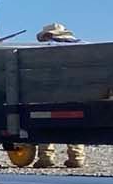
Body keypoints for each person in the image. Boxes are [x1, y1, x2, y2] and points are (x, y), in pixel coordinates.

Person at [33, 24, 87, 170]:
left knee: (43, 121)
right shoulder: (84, 46)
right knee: (75, 124)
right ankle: (77, 157)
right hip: (82, 95)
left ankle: (46, 157)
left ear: (48, 36)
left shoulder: (46, 49)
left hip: (52, 95)